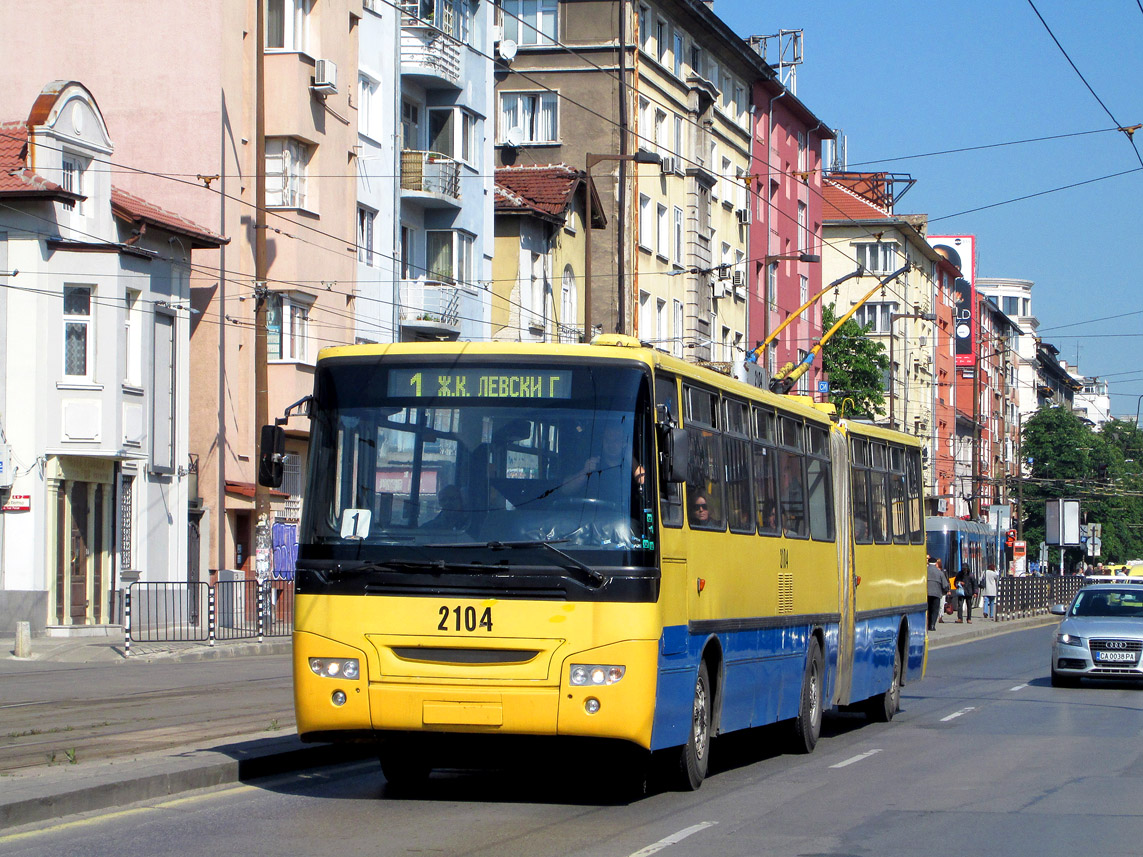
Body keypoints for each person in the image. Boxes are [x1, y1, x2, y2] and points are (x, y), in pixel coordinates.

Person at [927, 556, 950, 631]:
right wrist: (946, 591)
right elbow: (945, 585)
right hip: (936, 594)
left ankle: (928, 624)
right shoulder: (939, 573)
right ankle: (932, 625)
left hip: (926, 594)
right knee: (935, 610)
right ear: (935, 563)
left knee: (928, 609)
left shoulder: (924, 571)